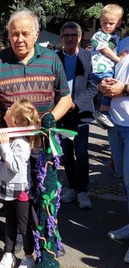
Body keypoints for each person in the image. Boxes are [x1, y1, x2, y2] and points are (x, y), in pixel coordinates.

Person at [0, 9, 72, 140]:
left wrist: (51, 117)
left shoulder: (52, 59)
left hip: (44, 138)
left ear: (36, 34)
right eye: (15, 34)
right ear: (9, 35)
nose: (19, 39)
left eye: (25, 34)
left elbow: (66, 99)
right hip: (10, 142)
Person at [0, 99, 39, 268]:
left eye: (10, 109)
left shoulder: (21, 142)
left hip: (20, 190)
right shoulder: (7, 135)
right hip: (6, 187)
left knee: (24, 226)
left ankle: (28, 257)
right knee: (9, 221)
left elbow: (16, 165)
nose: (6, 110)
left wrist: (2, 146)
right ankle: (8, 253)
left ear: (16, 121)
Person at [56, 22, 97, 209]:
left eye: (73, 35)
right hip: (62, 116)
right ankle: (71, 188)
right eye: (66, 35)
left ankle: (82, 191)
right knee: (66, 155)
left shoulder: (89, 58)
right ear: (61, 38)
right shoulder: (55, 58)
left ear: (79, 37)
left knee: (81, 153)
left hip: (81, 114)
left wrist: (76, 103)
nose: (70, 38)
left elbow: (93, 86)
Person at [99, 37, 129, 263]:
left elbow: (123, 86)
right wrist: (106, 85)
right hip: (116, 122)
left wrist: (124, 89)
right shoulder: (123, 41)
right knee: (124, 180)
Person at [90, 4, 127, 129]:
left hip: (107, 68)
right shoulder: (99, 35)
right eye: (104, 22)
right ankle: (103, 112)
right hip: (101, 68)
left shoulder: (116, 36)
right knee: (109, 87)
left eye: (111, 23)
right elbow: (105, 49)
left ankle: (103, 113)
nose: (107, 26)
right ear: (100, 20)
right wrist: (118, 59)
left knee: (109, 87)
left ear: (118, 23)